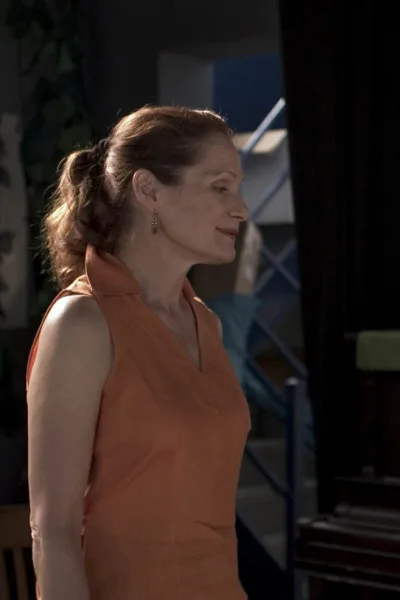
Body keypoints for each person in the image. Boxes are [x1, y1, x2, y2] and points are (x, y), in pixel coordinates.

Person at [26, 105, 252, 600]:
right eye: (220, 187)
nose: (241, 208)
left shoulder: (206, 324)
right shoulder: (83, 324)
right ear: (149, 190)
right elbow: (53, 529)